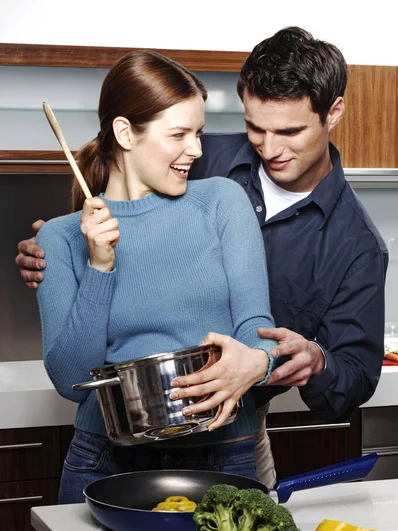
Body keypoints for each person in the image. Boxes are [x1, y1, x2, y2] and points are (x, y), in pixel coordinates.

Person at [15, 27, 388, 489]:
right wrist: (72, 257)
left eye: (289, 131)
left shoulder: (355, 245)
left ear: (333, 114)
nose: (269, 149)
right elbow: (120, 195)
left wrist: (299, 359)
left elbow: (345, 376)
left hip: (232, 431)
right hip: (108, 448)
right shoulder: (197, 158)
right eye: (256, 127)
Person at [30, 49, 280, 504]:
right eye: (179, 134)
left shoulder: (222, 202)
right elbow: (70, 381)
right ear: (125, 133)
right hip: (104, 460)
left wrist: (258, 362)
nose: (197, 149)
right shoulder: (61, 238)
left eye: (198, 132)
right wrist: (100, 266)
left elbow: (256, 330)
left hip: (226, 453)